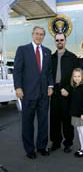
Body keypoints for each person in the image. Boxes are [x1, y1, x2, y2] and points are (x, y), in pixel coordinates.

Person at [13, 26, 53, 159]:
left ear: (44, 36)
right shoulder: (22, 50)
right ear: (32, 34)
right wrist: (18, 88)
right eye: (37, 34)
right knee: (27, 123)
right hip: (28, 94)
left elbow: (49, 72)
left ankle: (42, 146)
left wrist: (51, 86)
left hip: (43, 95)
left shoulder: (47, 51)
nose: (39, 36)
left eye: (42, 34)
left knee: (43, 123)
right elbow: (17, 71)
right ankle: (30, 149)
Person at [50, 33, 77, 153]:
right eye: (57, 40)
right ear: (55, 42)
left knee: (67, 120)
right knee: (54, 119)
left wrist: (68, 89)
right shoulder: (51, 58)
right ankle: (55, 142)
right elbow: (47, 75)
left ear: (65, 41)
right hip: (54, 92)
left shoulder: (72, 57)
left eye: (61, 40)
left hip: (67, 92)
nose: (59, 42)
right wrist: (49, 87)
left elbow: (76, 77)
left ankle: (68, 143)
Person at [69, 68, 83, 157]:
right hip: (76, 113)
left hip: (82, 114)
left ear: (82, 76)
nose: (77, 78)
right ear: (72, 77)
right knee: (79, 130)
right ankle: (82, 148)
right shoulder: (74, 86)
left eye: (79, 76)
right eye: (75, 76)